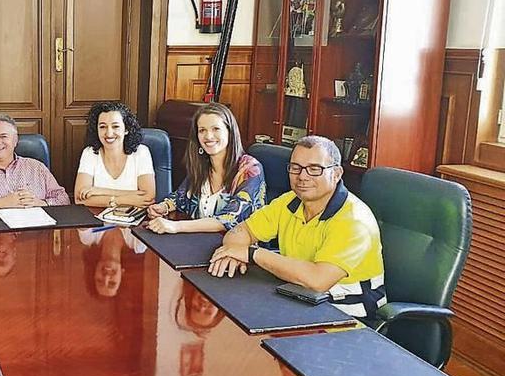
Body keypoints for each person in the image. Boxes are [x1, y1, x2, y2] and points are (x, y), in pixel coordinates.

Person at [208, 135, 386, 320]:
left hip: (349, 313)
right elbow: (240, 232)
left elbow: (318, 280)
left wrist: (251, 253)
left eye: (314, 169)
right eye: (296, 168)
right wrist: (233, 254)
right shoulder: (290, 201)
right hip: (300, 294)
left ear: (337, 173)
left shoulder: (354, 220)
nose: (302, 176)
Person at [147, 102, 266, 234]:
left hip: (235, 249)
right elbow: (180, 197)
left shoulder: (250, 169)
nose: (208, 136)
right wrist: (164, 207)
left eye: (216, 129)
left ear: (230, 131)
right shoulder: (202, 164)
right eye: (202, 130)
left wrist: (176, 227)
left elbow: (230, 218)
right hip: (198, 243)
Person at [74, 101, 155, 208]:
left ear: (126, 129)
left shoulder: (141, 152)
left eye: (115, 126)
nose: (109, 133)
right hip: (97, 219)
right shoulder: (90, 153)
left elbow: (148, 197)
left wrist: (99, 191)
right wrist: (123, 199)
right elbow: (79, 198)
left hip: (133, 219)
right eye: (103, 127)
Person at [79, 227, 147, 297]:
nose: (106, 277)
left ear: (94, 273)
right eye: (112, 283)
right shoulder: (138, 243)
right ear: (122, 276)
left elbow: (81, 216)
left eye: (99, 281)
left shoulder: (89, 237)